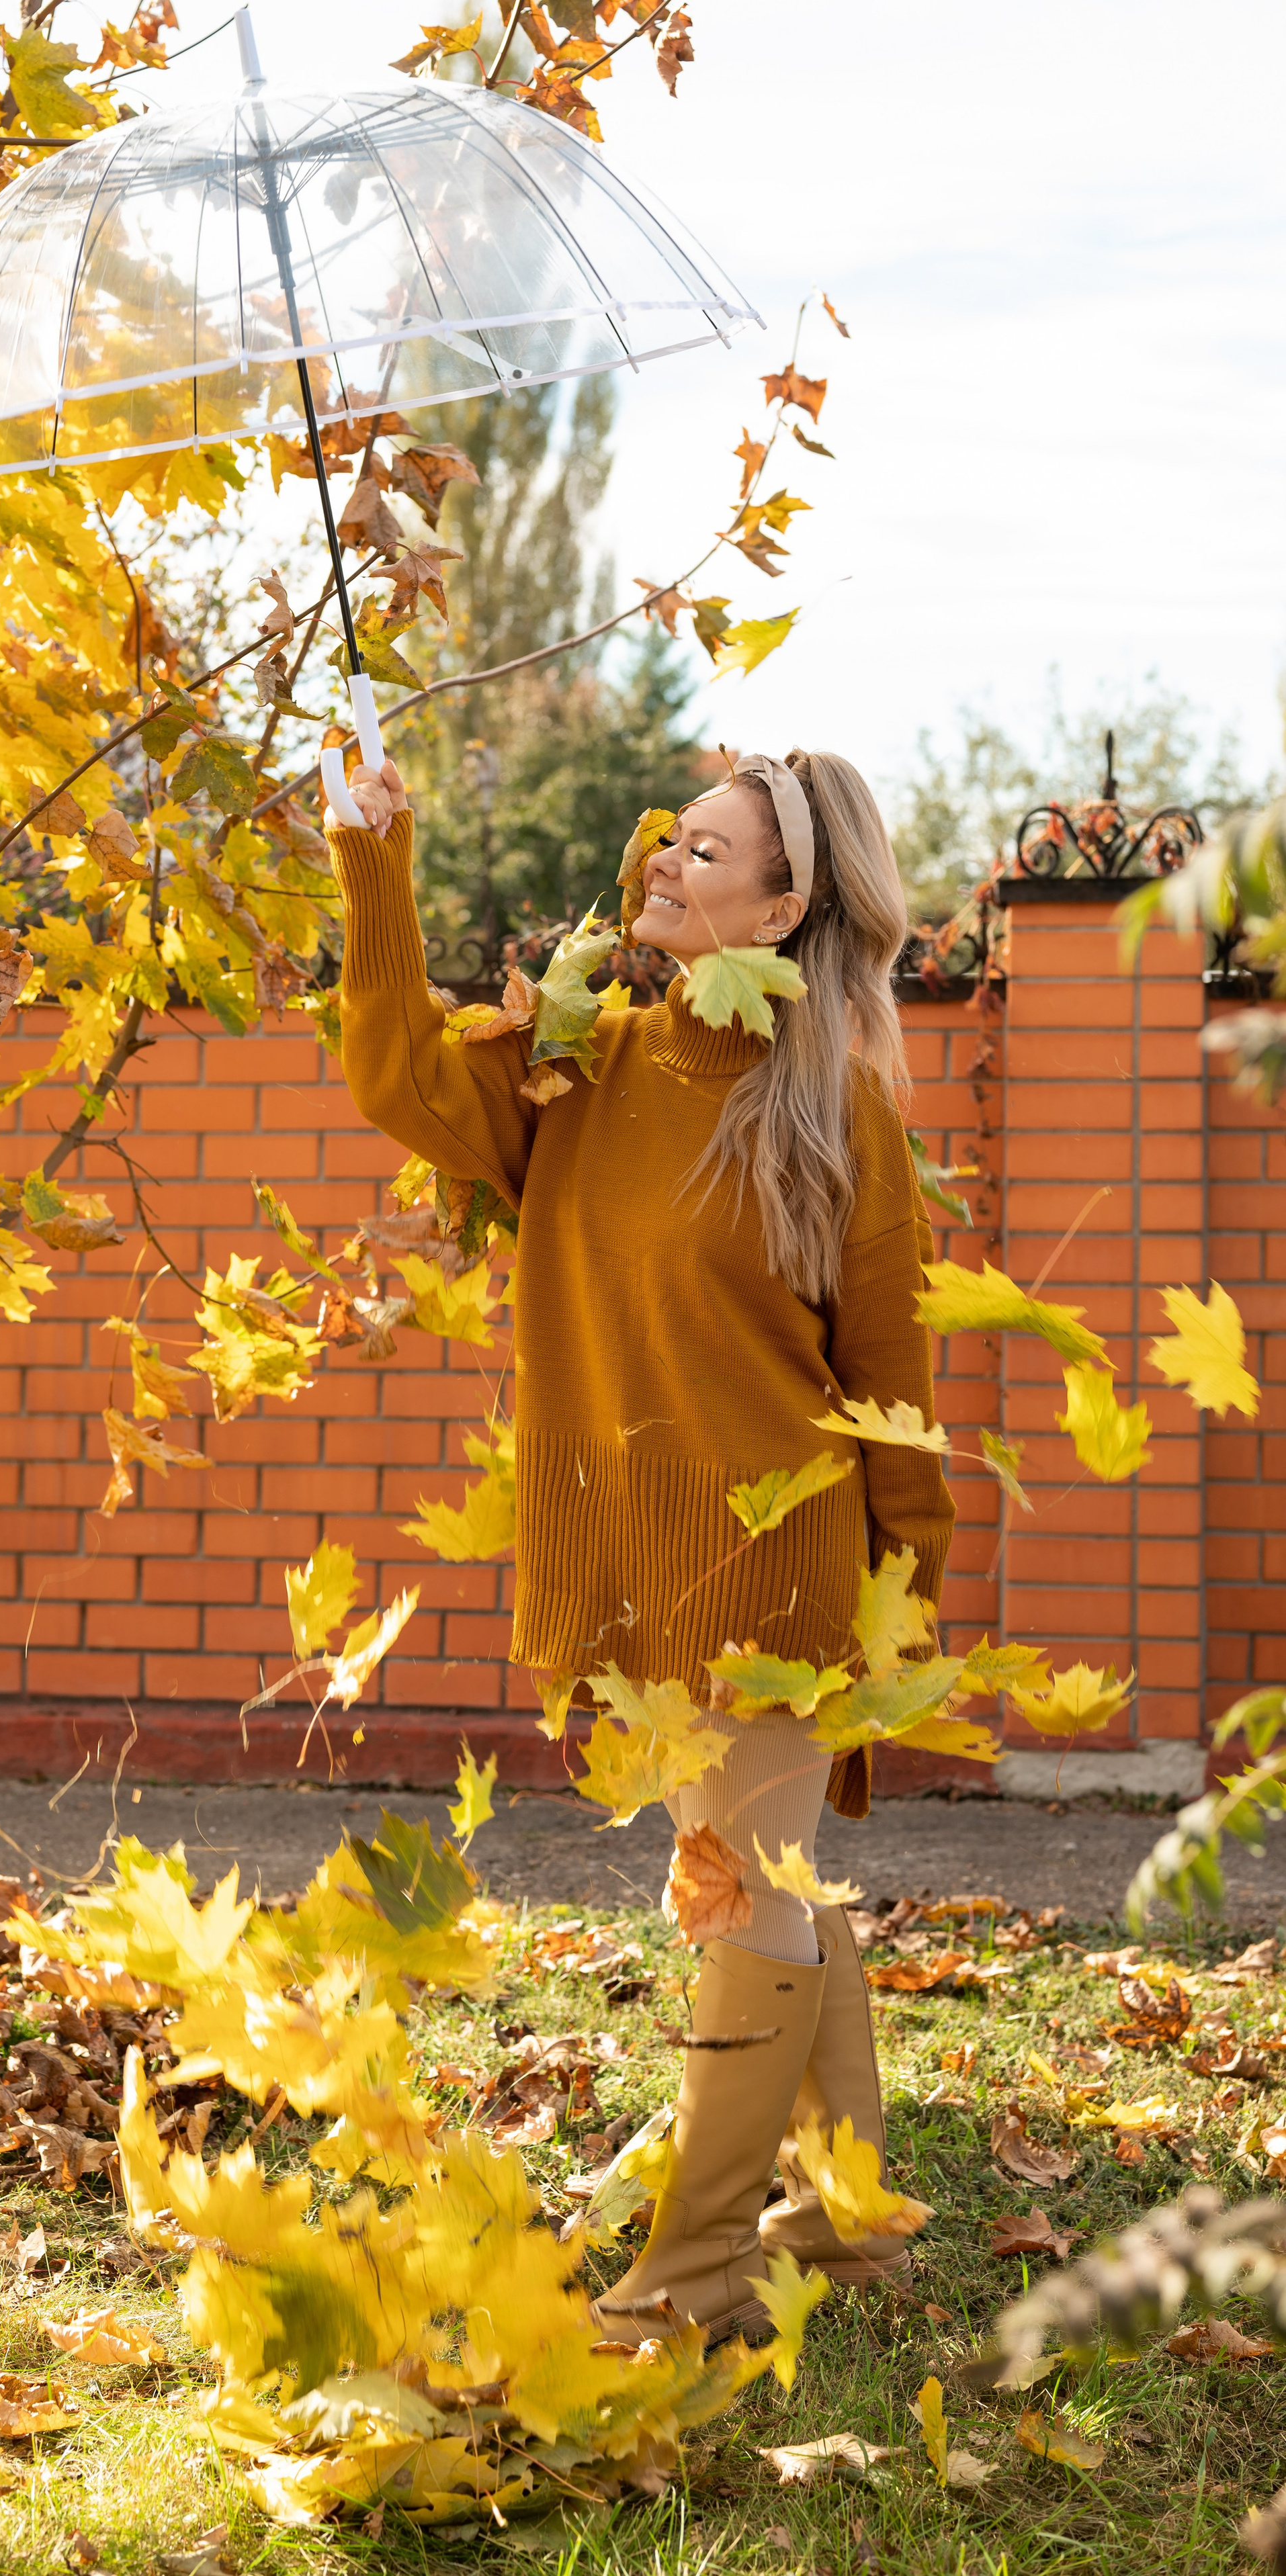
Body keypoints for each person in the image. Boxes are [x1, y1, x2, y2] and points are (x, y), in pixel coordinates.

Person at [327, 745, 954, 2346]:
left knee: (739, 1896)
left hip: (778, 1564)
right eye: (669, 838)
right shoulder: (573, 1064)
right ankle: (846, 2224)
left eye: (713, 849)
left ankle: (692, 2284)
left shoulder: (828, 1112)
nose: (668, 860)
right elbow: (397, 1074)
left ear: (785, 902)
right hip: (628, 1561)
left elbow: (890, 1385)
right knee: (773, 1889)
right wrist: (372, 856)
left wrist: (904, 1600)